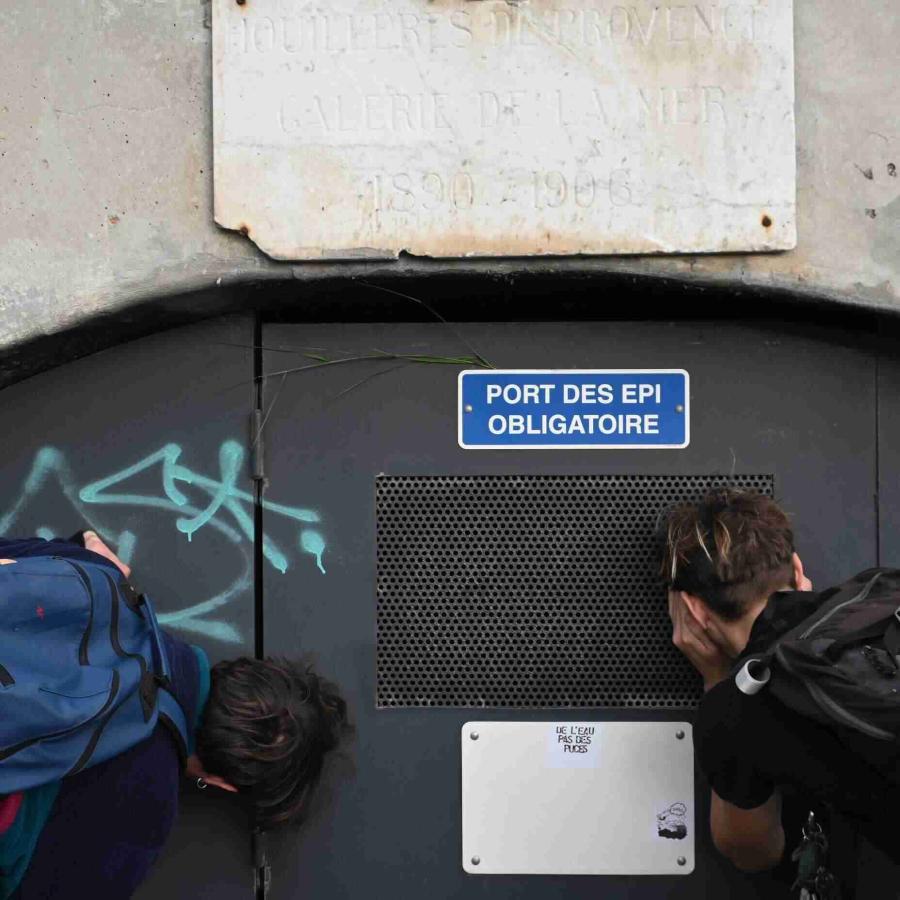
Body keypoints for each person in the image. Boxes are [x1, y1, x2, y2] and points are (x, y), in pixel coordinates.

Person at [0, 532, 349, 899]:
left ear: (238, 669)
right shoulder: (146, 808)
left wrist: (82, 547)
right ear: (222, 783)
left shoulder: (100, 573)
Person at [661, 489, 900, 882]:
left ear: (693, 609)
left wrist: (718, 680)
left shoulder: (736, 709)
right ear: (797, 568)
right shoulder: (877, 587)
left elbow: (753, 852)